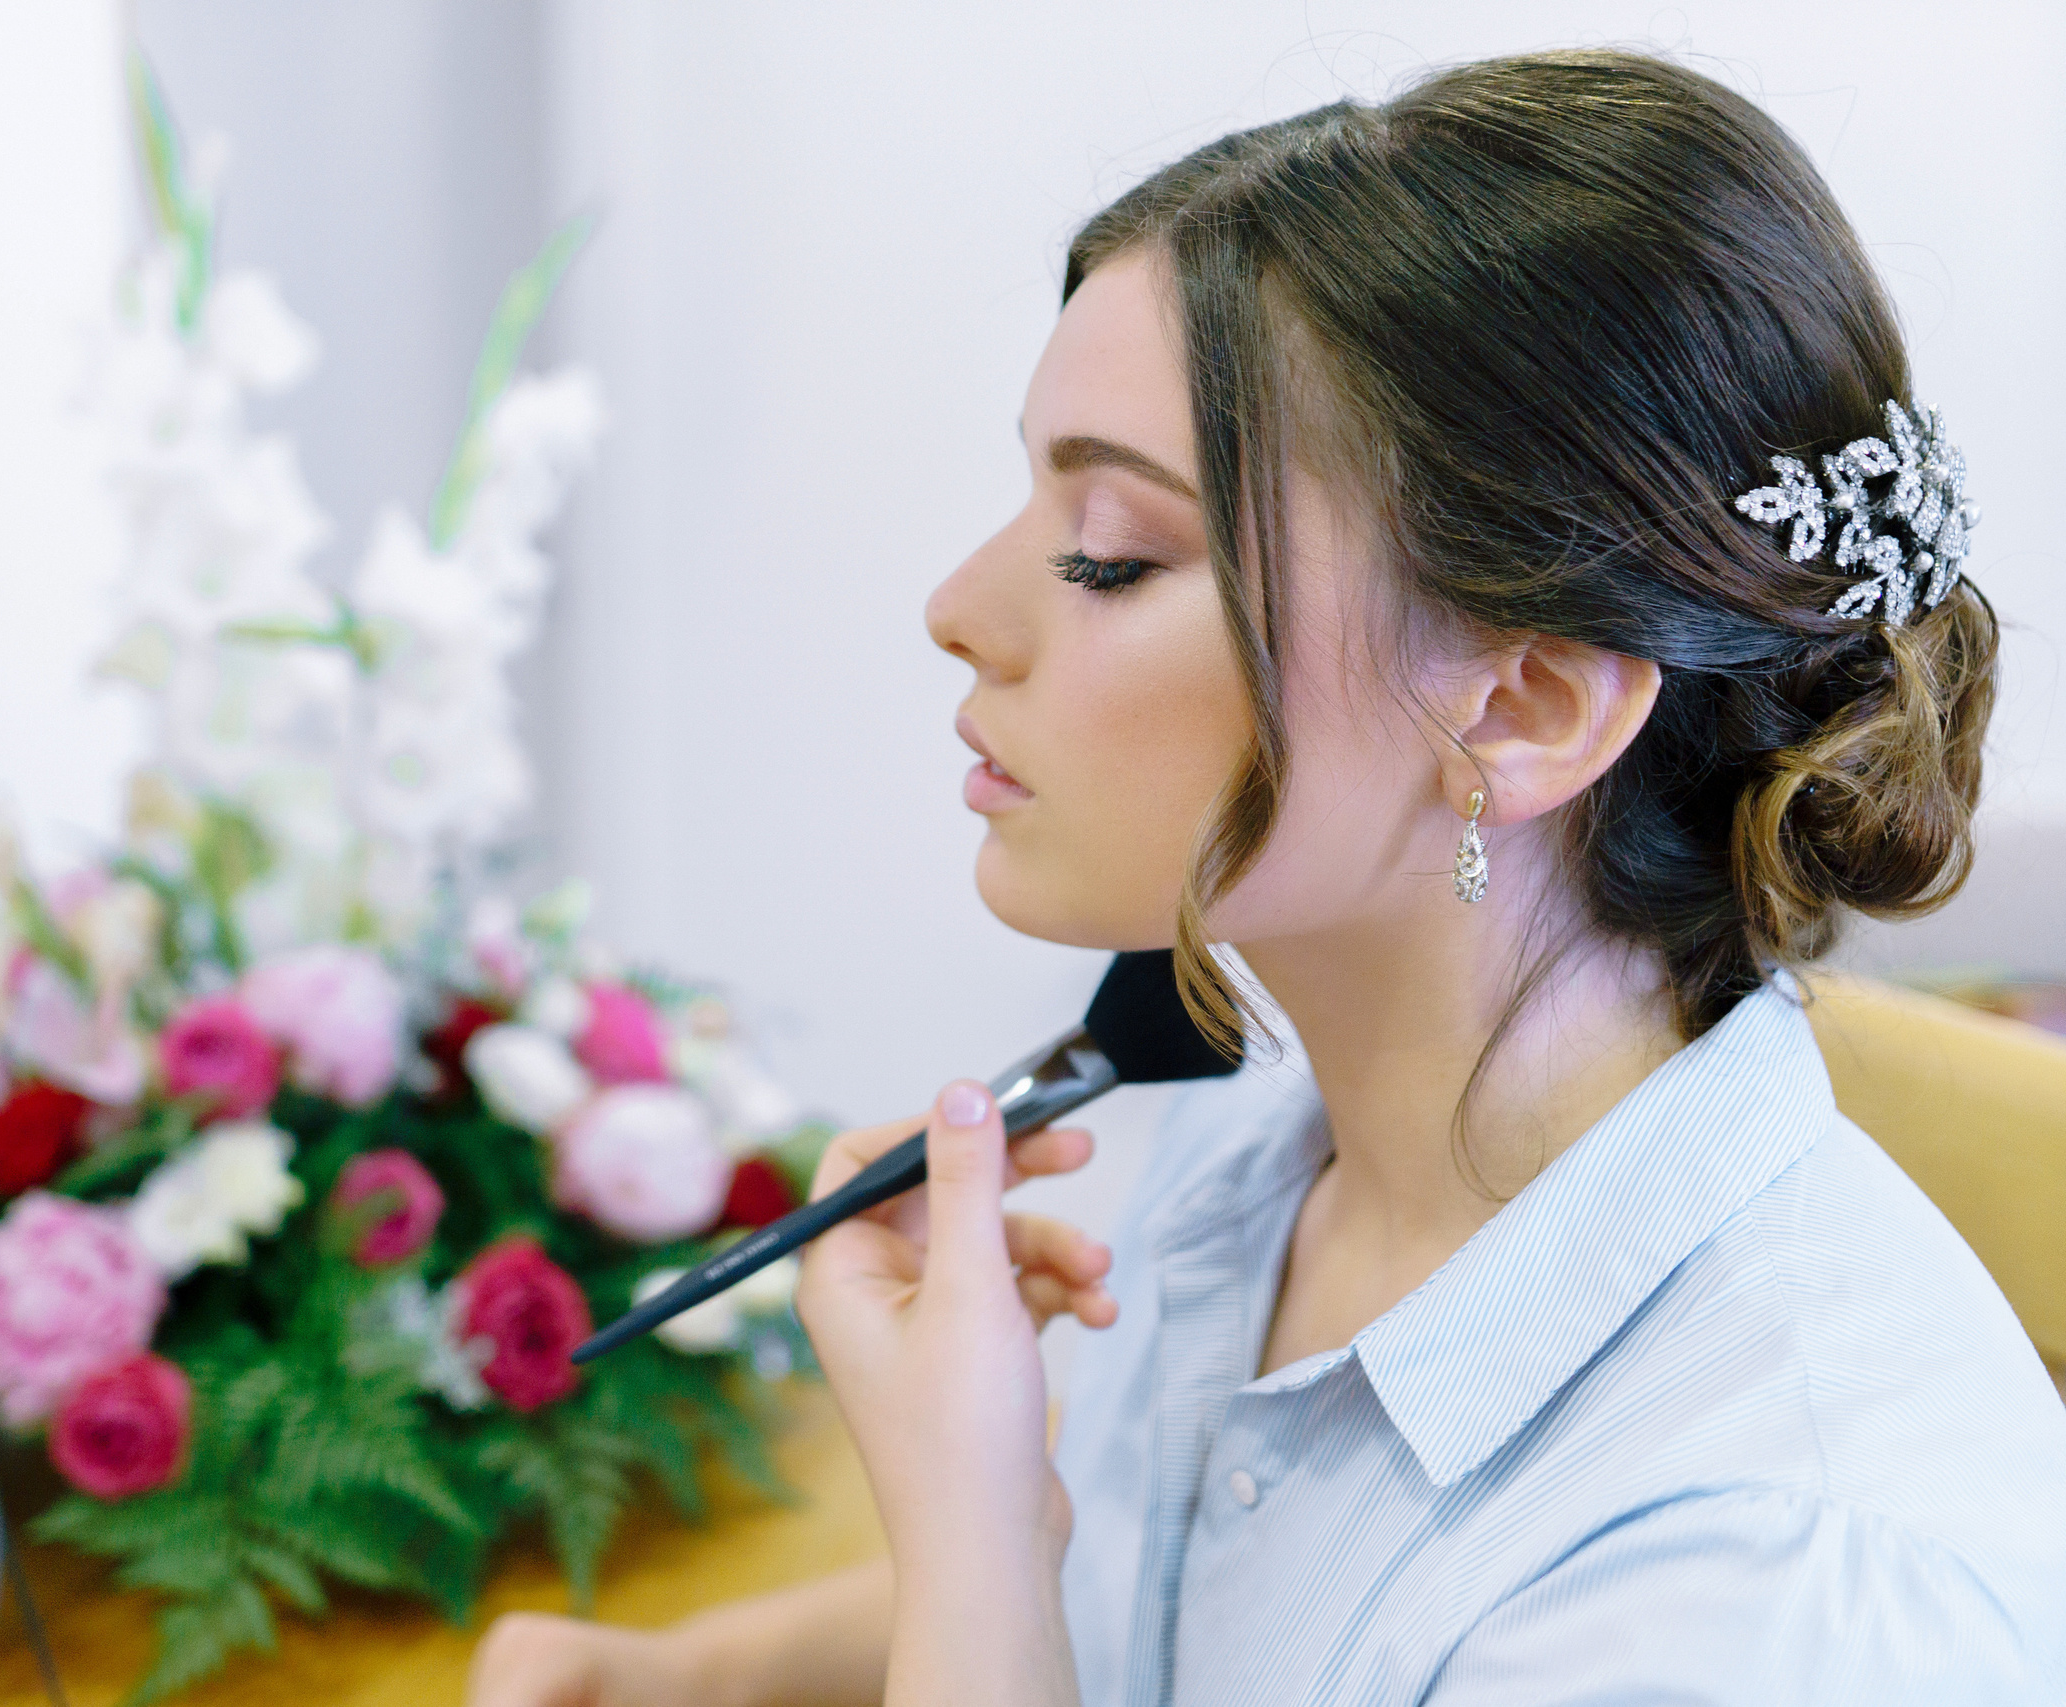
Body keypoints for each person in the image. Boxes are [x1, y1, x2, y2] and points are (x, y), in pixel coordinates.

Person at [464, 49, 2066, 1706]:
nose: (960, 604)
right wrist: (687, 1677)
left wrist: (972, 1550)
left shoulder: (1765, 1595)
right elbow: (1169, 1598)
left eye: (1112, 556)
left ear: (1521, 707)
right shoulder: (1274, 1147)